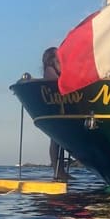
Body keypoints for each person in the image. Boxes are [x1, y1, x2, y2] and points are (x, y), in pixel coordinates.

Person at [42, 47, 68, 181]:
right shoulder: (50, 70)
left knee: (59, 141)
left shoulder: (56, 69)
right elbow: (55, 82)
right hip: (56, 107)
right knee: (56, 140)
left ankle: (60, 171)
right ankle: (58, 171)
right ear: (52, 59)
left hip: (60, 107)